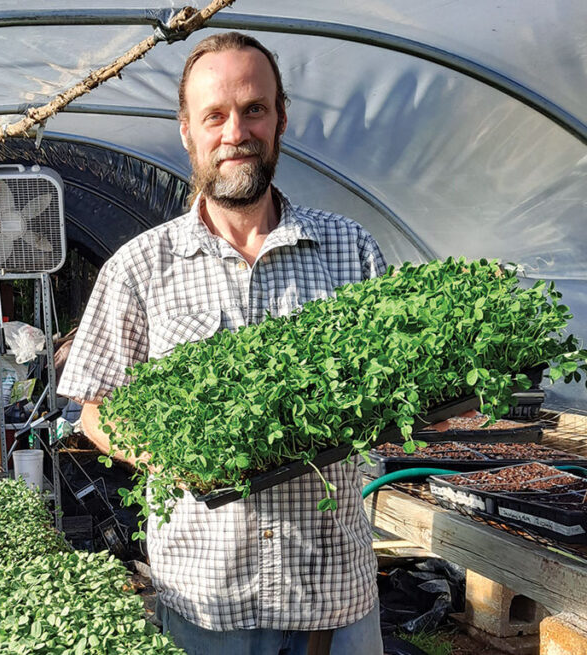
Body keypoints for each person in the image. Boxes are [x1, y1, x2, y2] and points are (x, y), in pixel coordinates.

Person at [56, 32, 386, 654]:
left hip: (335, 597)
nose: (236, 131)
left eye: (254, 109)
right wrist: (180, 460)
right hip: (209, 603)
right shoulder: (138, 268)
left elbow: (391, 388)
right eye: (215, 115)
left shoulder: (352, 249)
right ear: (187, 131)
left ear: (281, 118)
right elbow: (94, 412)